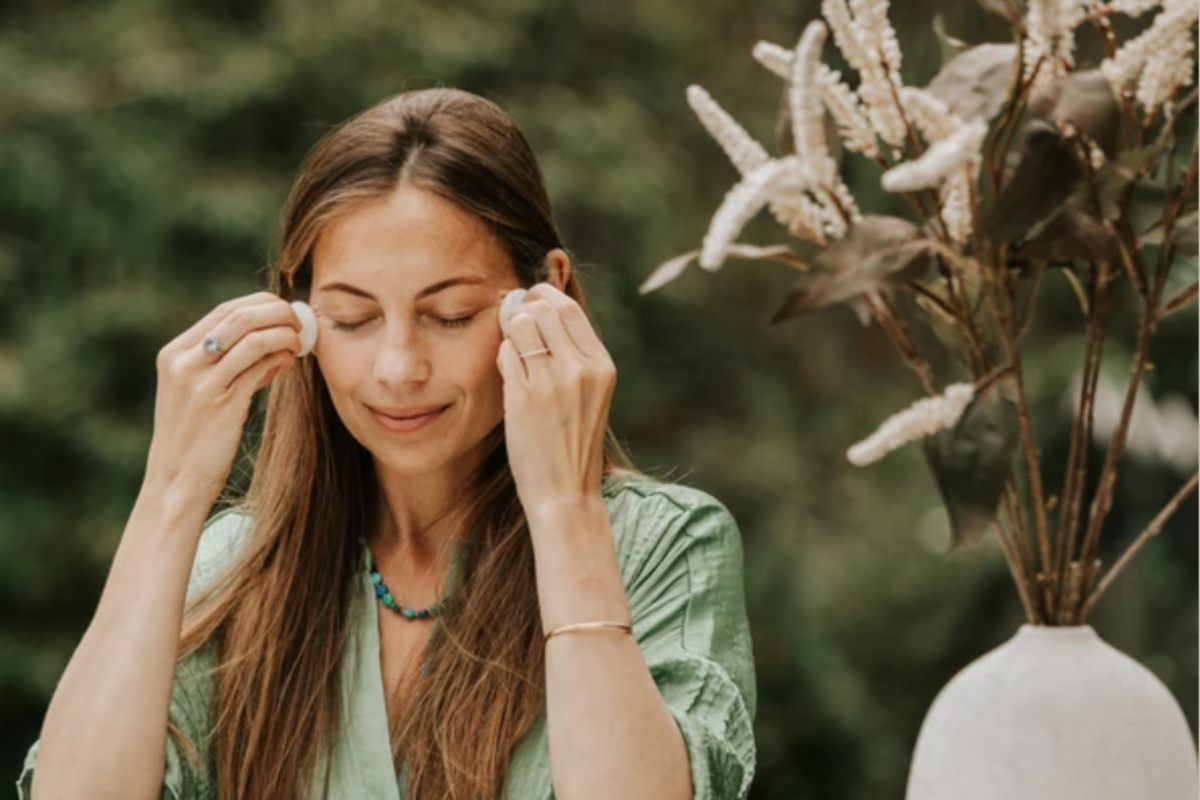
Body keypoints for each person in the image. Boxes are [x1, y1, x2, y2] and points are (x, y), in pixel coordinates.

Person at [17, 87, 756, 800]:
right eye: (351, 319)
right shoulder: (234, 565)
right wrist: (170, 493)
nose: (399, 368)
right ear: (299, 318)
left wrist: (563, 507)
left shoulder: (664, 546)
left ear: (549, 294)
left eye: (451, 314)